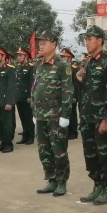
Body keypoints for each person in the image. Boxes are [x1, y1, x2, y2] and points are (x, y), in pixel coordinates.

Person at [76, 25, 107, 205]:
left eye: (90, 39)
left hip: (101, 118)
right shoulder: (88, 62)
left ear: (100, 40)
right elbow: (87, 90)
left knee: (104, 154)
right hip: (87, 117)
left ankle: (106, 188)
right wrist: (80, 79)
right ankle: (97, 184)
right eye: (86, 39)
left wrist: (106, 119)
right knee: (90, 154)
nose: (87, 42)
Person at [33, 30, 74, 197]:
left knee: (59, 150)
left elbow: (67, 91)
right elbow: (34, 88)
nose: (40, 45)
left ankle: (61, 181)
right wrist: (34, 111)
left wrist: (65, 115)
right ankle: (51, 180)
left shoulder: (62, 65)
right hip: (41, 114)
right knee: (44, 150)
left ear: (54, 45)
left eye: (44, 42)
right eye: (39, 42)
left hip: (56, 116)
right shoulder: (39, 64)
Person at [0, 46, 17, 153]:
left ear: (3, 56)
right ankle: (3, 143)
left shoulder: (10, 69)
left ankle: (8, 144)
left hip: (5, 101)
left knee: (7, 124)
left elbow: (11, 86)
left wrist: (9, 102)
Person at [15, 47, 35, 145]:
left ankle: (30, 136)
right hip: (19, 96)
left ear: (26, 56)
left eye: (20, 55)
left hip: (26, 96)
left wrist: (30, 96)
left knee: (28, 117)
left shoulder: (31, 67)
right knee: (22, 117)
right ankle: (25, 136)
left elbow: (31, 83)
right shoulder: (18, 67)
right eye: (17, 55)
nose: (18, 57)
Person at [61, 48, 80, 140]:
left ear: (70, 58)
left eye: (65, 57)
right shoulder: (62, 68)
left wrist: (75, 96)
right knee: (65, 113)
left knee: (72, 114)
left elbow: (75, 84)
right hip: (64, 95)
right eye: (62, 57)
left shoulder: (74, 69)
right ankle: (67, 131)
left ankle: (73, 132)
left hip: (72, 95)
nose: (63, 58)